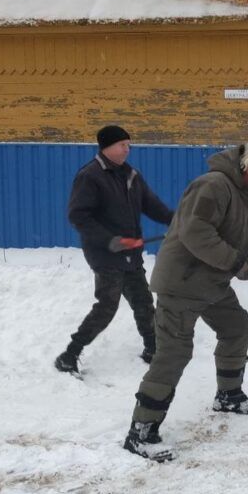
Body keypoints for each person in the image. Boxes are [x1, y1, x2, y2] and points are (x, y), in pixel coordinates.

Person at [123, 142, 248, 460]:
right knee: (174, 353)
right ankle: (141, 432)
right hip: (183, 281)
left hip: (212, 283)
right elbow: (196, 234)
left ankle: (229, 395)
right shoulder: (212, 186)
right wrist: (239, 265)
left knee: (236, 327)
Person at [54, 125, 174, 376]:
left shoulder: (130, 175)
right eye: (123, 145)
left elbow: (152, 205)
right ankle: (70, 354)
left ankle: (153, 348)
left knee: (142, 300)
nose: (127, 149)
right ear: (107, 146)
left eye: (128, 145)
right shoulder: (90, 176)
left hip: (131, 251)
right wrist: (110, 240)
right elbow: (78, 216)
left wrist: (175, 220)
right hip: (105, 253)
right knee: (107, 306)